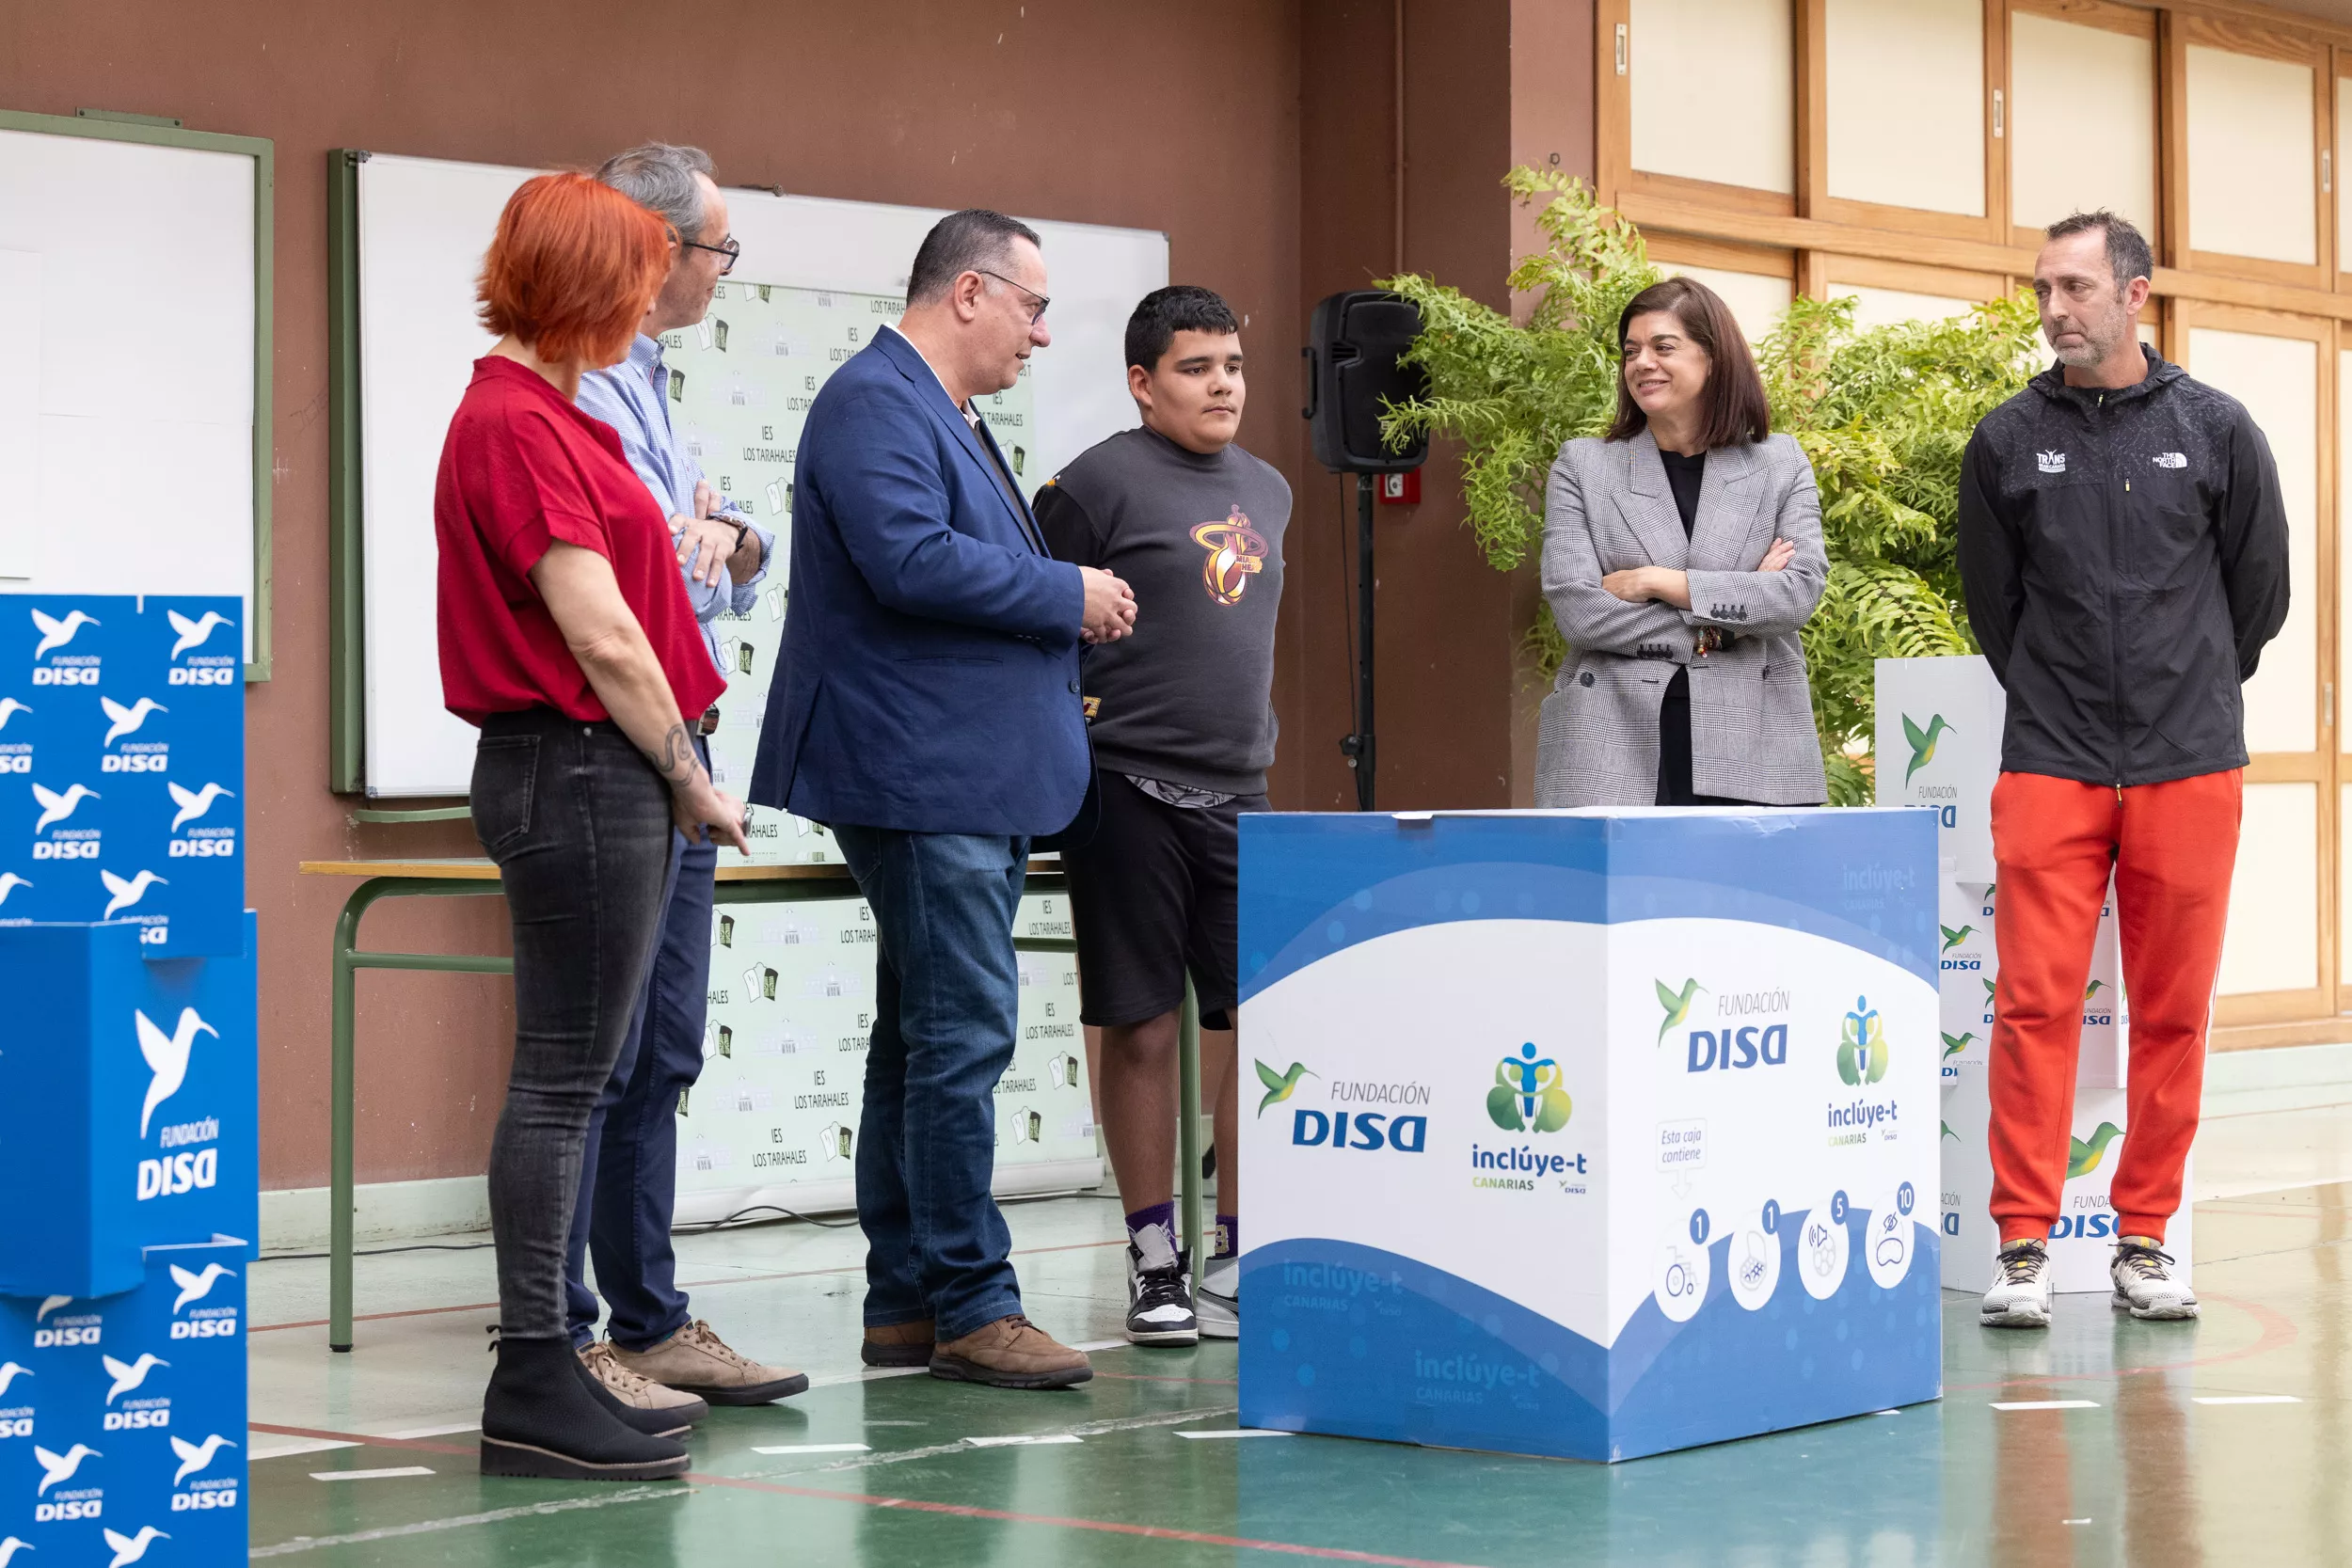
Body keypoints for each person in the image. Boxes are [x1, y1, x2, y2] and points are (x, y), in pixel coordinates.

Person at [749, 209, 1137, 1389]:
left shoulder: (940, 409)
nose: (1040, 332)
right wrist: (1065, 591)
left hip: (958, 774)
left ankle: (908, 1300)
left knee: (920, 1039)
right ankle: (974, 1300)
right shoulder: (877, 399)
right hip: (922, 777)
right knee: (960, 1035)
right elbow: (909, 559)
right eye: (1030, 305)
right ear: (967, 292)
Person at [434, 172, 751, 1481]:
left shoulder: (558, 414)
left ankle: (552, 1367)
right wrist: (690, 774)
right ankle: (533, 1368)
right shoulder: (516, 420)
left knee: (575, 1076)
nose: (655, 298)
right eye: (636, 275)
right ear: (584, 284)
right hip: (580, 766)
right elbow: (604, 629)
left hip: (588, 767)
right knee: (566, 1081)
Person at [1962, 211, 2288, 1329]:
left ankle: (2142, 1237)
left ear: (2134, 295)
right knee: (2034, 1002)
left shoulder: (2215, 429)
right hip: (2049, 757)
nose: (2053, 309)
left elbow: (2259, 598)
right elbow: (1991, 607)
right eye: (2042, 288)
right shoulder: (2005, 440)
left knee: (2171, 1010)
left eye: (2074, 288)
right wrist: (2063, 695)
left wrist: (2180, 684)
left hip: (2187, 759)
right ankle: (2021, 1244)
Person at [557, 142, 803, 1418]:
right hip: (613, 742)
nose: (726, 271)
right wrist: (697, 541)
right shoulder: (578, 387)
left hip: (688, 732)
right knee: (591, 1056)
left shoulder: (652, 379)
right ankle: (569, 1331)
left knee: (661, 1048)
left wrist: (730, 535)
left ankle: (649, 1318)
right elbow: (634, 568)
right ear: (654, 248)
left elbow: (731, 557)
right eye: (720, 249)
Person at [1034, 285, 1286, 1345]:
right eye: (1195, 366)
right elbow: (1035, 629)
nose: (1221, 383)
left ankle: (1235, 1252)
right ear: (1142, 382)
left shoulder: (1269, 488)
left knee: (1257, 1023)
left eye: (1231, 363)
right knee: (1137, 1022)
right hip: (1124, 787)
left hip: (1244, 791)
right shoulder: (1089, 486)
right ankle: (1153, 1259)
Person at [1535, 275, 1828, 808]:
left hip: (1752, 738)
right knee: (1618, 891)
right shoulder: (1584, 465)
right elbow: (1578, 610)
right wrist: (1723, 623)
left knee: (1744, 890)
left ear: (1712, 358)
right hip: (1610, 738)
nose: (1642, 362)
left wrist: (1659, 583)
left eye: (1663, 347)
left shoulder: (1779, 463)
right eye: (1631, 351)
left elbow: (1795, 595)